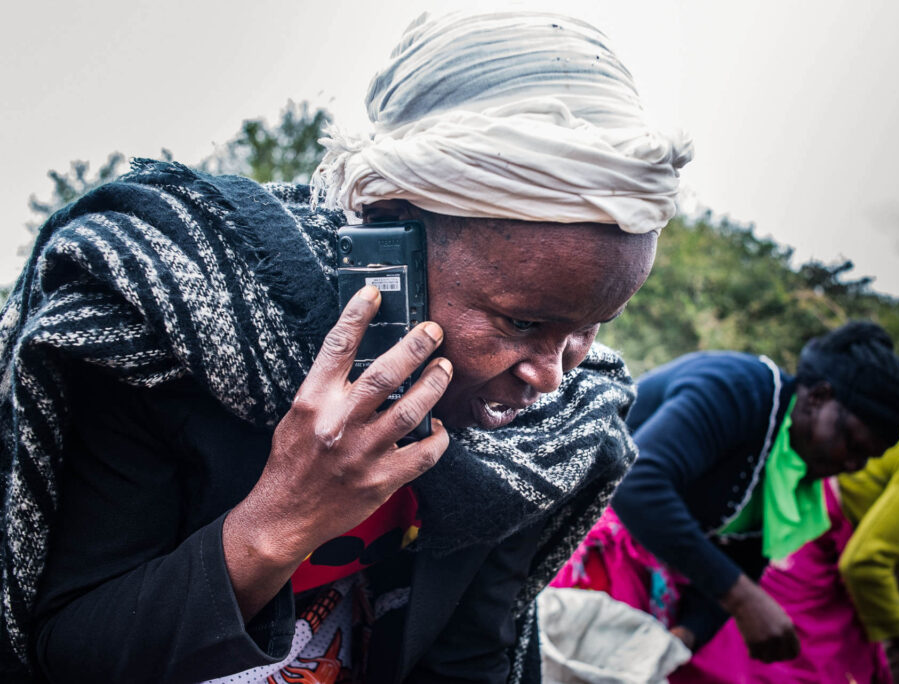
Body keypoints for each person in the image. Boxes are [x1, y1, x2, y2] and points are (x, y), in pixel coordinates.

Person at [0, 11, 693, 683]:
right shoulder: (167, 334)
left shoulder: (546, 438)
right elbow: (68, 649)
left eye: (587, 327)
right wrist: (279, 520)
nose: (551, 377)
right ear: (388, 243)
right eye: (521, 324)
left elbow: (469, 659)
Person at [551, 321, 899, 672]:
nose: (853, 465)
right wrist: (743, 598)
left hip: (640, 574)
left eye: (867, 459)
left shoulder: (786, 467)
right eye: (853, 443)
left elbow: (742, 561)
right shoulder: (740, 390)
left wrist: (681, 639)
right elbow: (634, 482)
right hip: (567, 525)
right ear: (819, 397)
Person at [682, 407, 899, 684]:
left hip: (843, 547)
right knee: (792, 662)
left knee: (852, 663)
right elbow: (864, 564)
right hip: (817, 536)